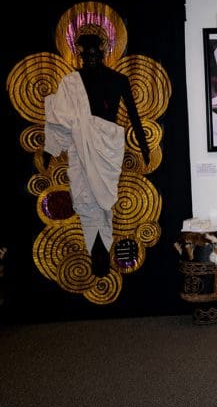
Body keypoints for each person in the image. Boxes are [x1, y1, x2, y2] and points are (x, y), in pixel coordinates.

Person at [44, 31, 150, 276]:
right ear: (81, 55)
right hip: (81, 146)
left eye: (95, 54)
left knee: (104, 200)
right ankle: (96, 252)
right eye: (86, 55)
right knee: (85, 198)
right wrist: (49, 151)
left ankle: (103, 247)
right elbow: (58, 118)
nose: (91, 59)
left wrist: (144, 147)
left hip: (107, 147)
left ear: (102, 53)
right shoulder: (71, 82)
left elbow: (134, 116)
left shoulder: (119, 79)